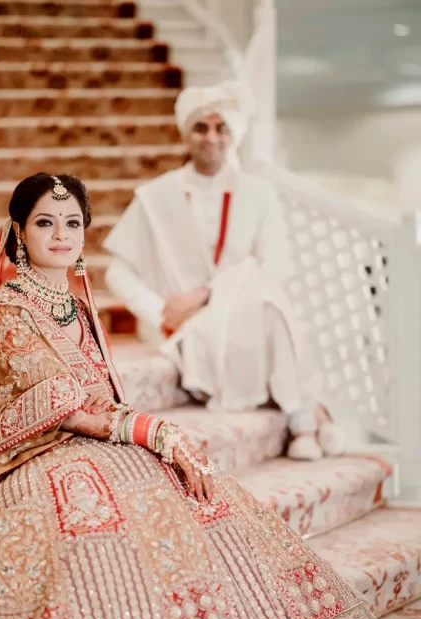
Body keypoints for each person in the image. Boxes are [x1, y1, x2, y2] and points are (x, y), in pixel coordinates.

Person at [0, 174, 405, 619]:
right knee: (89, 527)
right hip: (28, 456)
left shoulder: (74, 303)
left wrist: (150, 436)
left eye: (72, 223)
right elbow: (58, 402)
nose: (61, 234)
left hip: (100, 442)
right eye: (45, 222)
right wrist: (150, 429)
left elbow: (99, 398)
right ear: (18, 232)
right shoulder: (1, 310)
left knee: (198, 497)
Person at [104, 80, 340, 460]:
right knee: (271, 311)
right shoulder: (157, 196)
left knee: (269, 305)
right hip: (188, 325)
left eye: (221, 127)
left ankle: (305, 418)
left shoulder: (258, 192)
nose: (211, 137)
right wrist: (162, 312)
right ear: (186, 134)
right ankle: (309, 417)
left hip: (246, 308)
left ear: (233, 135)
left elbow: (274, 265)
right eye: (201, 127)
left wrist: (209, 293)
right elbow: (117, 272)